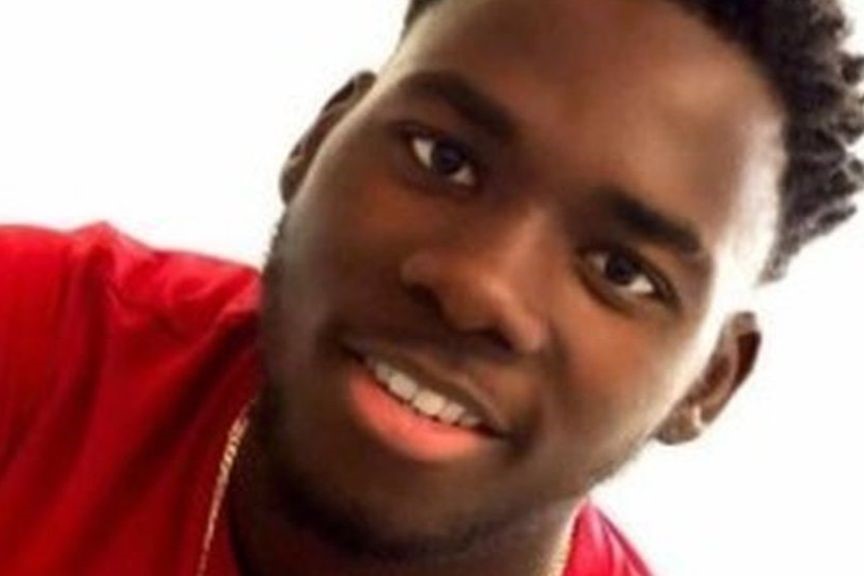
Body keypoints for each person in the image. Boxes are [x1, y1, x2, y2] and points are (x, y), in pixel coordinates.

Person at [1, 0, 862, 574]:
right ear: (319, 140)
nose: (478, 288)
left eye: (620, 272)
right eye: (442, 158)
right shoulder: (43, 341)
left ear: (709, 381)